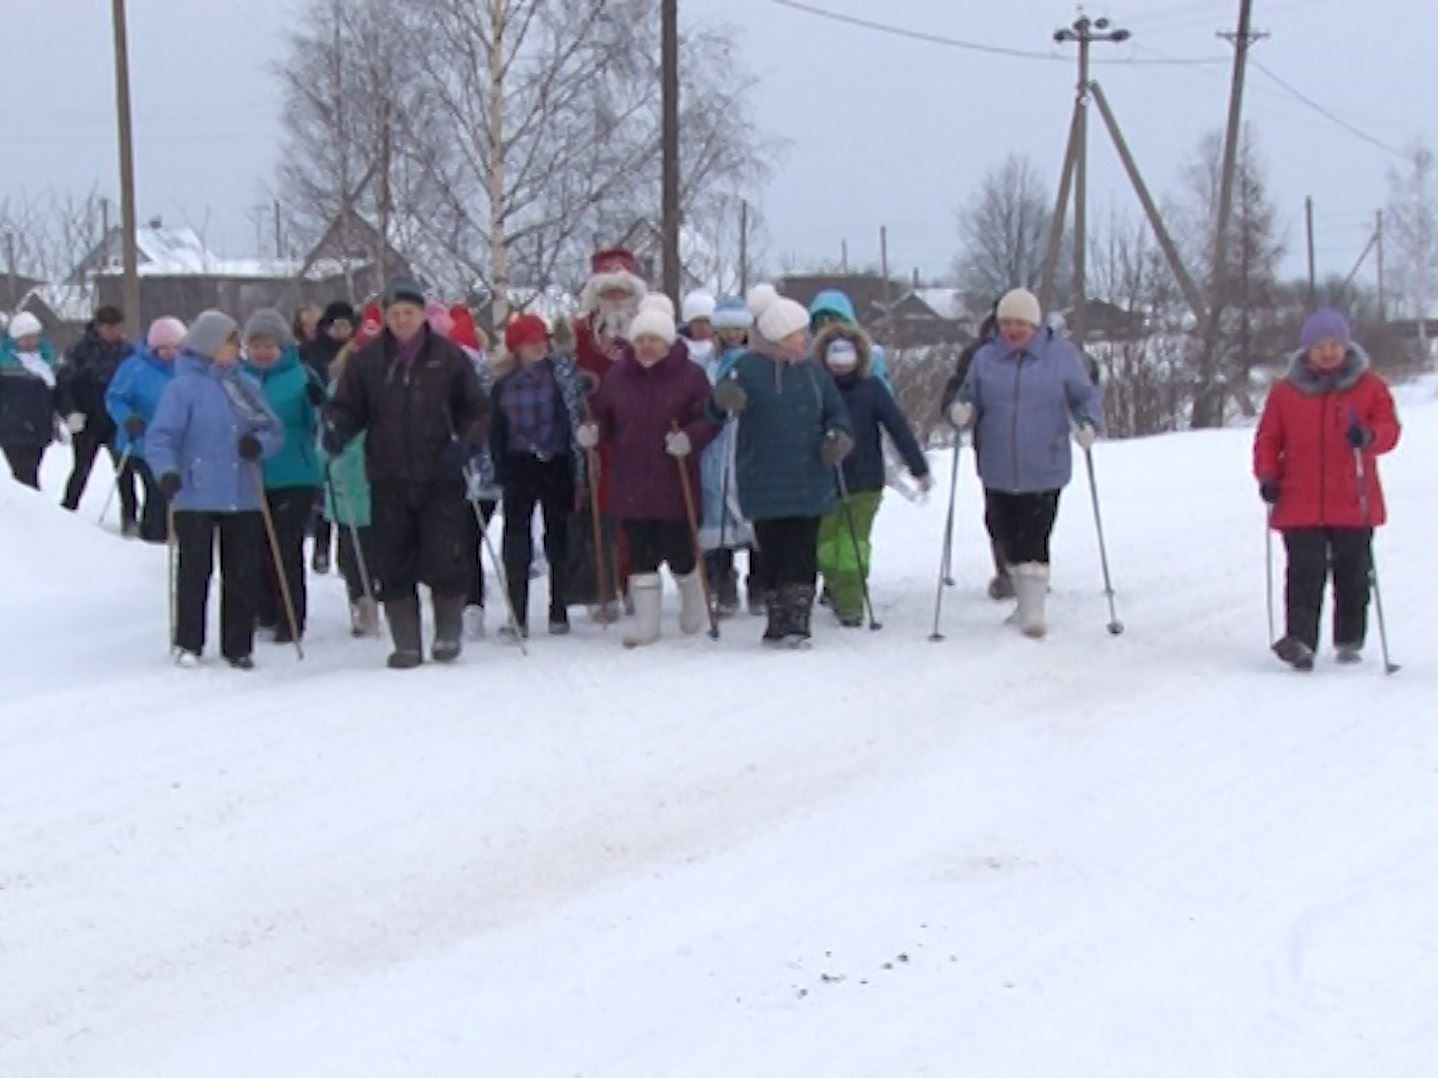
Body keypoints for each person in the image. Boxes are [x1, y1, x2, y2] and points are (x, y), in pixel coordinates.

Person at [323, 276, 490, 669]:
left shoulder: (449, 358)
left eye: (408, 313)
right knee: (393, 558)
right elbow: (348, 407)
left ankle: (448, 631)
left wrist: (466, 444)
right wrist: (338, 431)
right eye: (394, 314)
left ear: (422, 315)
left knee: (444, 554)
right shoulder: (368, 361)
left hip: (441, 472)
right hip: (387, 472)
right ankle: (406, 642)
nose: (401, 320)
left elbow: (477, 409)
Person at [948, 288, 1103, 639]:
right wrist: (962, 411)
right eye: (1006, 323)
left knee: (1035, 533)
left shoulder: (1060, 356)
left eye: (1020, 323)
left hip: (1044, 462)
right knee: (1006, 534)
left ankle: (1033, 612)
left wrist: (1088, 423)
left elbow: (1084, 395)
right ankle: (1023, 603)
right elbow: (967, 393)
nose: (1012, 330)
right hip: (997, 463)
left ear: (1034, 323)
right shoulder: (985, 359)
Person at [1254, 308, 1401, 671]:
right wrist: (1268, 475)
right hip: (1299, 499)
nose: (1328, 352)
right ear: (1306, 350)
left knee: (1352, 572)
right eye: (1320, 345)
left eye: (1335, 344)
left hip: (1353, 498)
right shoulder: (1285, 392)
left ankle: (1349, 637)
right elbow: (1268, 438)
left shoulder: (1369, 387)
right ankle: (1300, 641)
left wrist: (1368, 436)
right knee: (1304, 571)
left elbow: (1389, 430)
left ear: (1347, 346)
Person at [711, 284, 853, 648]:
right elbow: (715, 408)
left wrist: (837, 436)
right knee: (772, 548)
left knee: (802, 549)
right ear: (775, 338)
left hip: (809, 476)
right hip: (763, 476)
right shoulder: (747, 368)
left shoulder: (814, 374)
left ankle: (798, 619)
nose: (803, 341)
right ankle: (778, 615)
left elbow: (837, 413)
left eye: (803, 333)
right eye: (794, 336)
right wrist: (724, 400)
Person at [147, 311, 282, 669]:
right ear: (209, 345)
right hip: (196, 492)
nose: (237, 349)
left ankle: (238, 645)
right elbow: (161, 437)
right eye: (230, 342)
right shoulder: (183, 388)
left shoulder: (244, 385)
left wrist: (259, 445)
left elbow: (272, 429)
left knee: (242, 572)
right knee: (195, 569)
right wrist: (167, 472)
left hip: (243, 492)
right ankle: (188, 642)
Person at [581, 296, 718, 647]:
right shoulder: (618, 376)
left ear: (668, 341)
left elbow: (709, 418)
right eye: (641, 339)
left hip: (675, 480)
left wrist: (690, 437)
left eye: (653, 339)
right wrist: (593, 430)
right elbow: (603, 415)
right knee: (639, 552)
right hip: (631, 481)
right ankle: (647, 623)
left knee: (681, 551)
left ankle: (693, 603)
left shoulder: (691, 376)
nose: (646, 346)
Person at [816, 322, 931, 628]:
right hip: (823, 480)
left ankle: (852, 603)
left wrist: (917, 466)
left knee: (853, 544)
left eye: (846, 361)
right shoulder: (815, 387)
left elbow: (898, 427)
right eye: (834, 361)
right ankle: (836, 589)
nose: (840, 368)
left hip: (864, 480)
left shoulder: (872, 389)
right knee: (826, 544)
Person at [489, 313, 586, 639]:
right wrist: (499, 466)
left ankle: (559, 607)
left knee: (558, 535)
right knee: (516, 537)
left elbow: (575, 409)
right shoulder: (502, 384)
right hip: (519, 463)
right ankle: (517, 612)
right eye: (531, 342)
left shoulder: (560, 375)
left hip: (556, 460)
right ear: (516, 347)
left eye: (541, 340)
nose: (538, 347)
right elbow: (496, 430)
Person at [573, 247, 648, 617]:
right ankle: (603, 586)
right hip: (596, 436)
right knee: (602, 513)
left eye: (622, 292)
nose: (615, 300)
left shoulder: (649, 330)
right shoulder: (581, 332)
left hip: (640, 434)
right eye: (608, 293)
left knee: (639, 511)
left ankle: (637, 581)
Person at [243, 308, 324, 644]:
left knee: (286, 546)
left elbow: (320, 419)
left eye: (270, 345)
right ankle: (264, 609)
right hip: (252, 474)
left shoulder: (301, 376)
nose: (263, 352)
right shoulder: (237, 377)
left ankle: (292, 616)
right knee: (256, 546)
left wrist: (317, 403)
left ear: (283, 346)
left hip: (295, 473)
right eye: (257, 345)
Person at [685, 293, 755, 618]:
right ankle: (720, 580)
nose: (730, 335)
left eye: (736, 328)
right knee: (716, 517)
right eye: (724, 329)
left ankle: (761, 583)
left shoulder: (756, 362)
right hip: (714, 446)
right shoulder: (706, 365)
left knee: (752, 514)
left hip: (747, 445)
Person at [940, 304, 1010, 598]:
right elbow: (957, 389)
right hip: (993, 443)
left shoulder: (1050, 351)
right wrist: (955, 408)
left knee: (1036, 511)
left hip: (1039, 445)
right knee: (999, 510)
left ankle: (1030, 567)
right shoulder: (977, 355)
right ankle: (1008, 570)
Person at [318, 338, 379, 637]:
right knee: (351, 548)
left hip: (380, 474)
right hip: (347, 475)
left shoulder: (388, 389)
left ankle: (381, 594)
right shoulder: (336, 391)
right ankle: (360, 599)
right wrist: (328, 452)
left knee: (380, 544)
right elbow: (324, 433)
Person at [104, 316, 184, 542]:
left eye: (175, 347)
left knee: (171, 490)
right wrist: (128, 418)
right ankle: (153, 535)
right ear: (152, 347)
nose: (170, 353)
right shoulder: (135, 367)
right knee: (156, 489)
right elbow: (114, 397)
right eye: (163, 348)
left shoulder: (187, 368)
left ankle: (168, 529)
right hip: (140, 441)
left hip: (176, 443)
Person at [57, 305, 135, 525]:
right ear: (98, 326)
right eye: (107, 328)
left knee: (124, 470)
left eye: (117, 327)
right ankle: (66, 512)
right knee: (81, 468)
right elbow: (65, 384)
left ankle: (130, 516)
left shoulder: (128, 352)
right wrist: (70, 412)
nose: (112, 333)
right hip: (86, 419)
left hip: (116, 421)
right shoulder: (80, 350)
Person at [300, 300, 357, 573]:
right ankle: (322, 547)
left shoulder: (359, 350)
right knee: (324, 493)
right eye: (338, 325)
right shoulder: (313, 351)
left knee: (347, 493)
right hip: (320, 423)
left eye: (347, 324)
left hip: (350, 427)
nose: (342, 331)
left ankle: (348, 554)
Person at [0, 312, 60, 489]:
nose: (29, 342)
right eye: (24, 338)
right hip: (11, 427)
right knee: (24, 474)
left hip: (40, 426)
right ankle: (30, 510)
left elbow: (58, 392)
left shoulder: (46, 361)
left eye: (33, 337)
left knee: (32, 470)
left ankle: (29, 508)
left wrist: (67, 412)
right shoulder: (5, 364)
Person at [808, 289, 890, 388]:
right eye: (820, 321)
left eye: (833, 320)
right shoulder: (807, 359)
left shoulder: (871, 354)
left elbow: (884, 392)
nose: (827, 327)